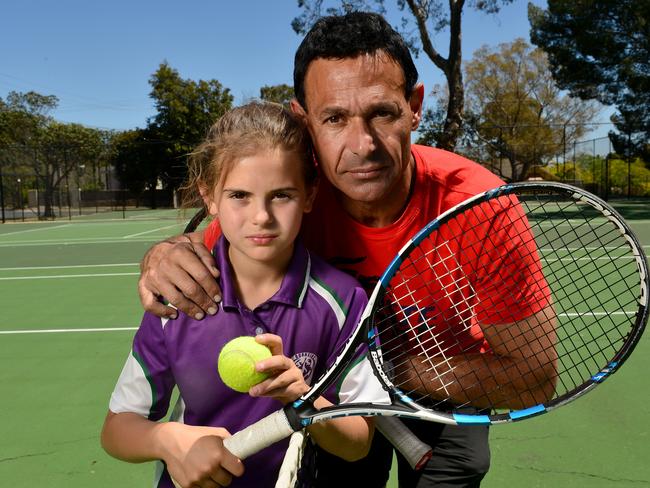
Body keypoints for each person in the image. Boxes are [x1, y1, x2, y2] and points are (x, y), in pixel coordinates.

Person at [138, 12, 553, 488]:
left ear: (414, 106)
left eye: (382, 113)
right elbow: (206, 241)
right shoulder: (294, 197)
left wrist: (380, 369)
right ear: (304, 120)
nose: (362, 145)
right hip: (335, 392)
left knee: (453, 470)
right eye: (334, 118)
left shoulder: (481, 210)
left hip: (446, 381)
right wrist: (167, 253)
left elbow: (534, 378)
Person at [101, 101, 387, 488]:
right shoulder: (179, 294)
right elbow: (117, 428)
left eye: (281, 195)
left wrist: (302, 398)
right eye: (239, 196)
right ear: (210, 197)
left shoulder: (343, 300)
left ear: (309, 194)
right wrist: (167, 440)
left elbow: (357, 444)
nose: (261, 217)